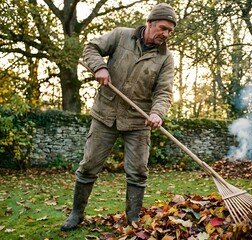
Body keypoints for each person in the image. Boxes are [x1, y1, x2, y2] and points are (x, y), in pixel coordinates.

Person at [61, 3, 177, 231]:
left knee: (138, 172)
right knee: (88, 166)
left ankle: (133, 219)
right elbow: (91, 48)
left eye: (170, 31)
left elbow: (164, 91)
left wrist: (157, 112)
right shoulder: (121, 36)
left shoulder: (165, 58)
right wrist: (99, 68)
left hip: (138, 121)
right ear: (150, 23)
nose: (165, 34)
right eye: (163, 28)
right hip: (106, 115)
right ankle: (76, 214)